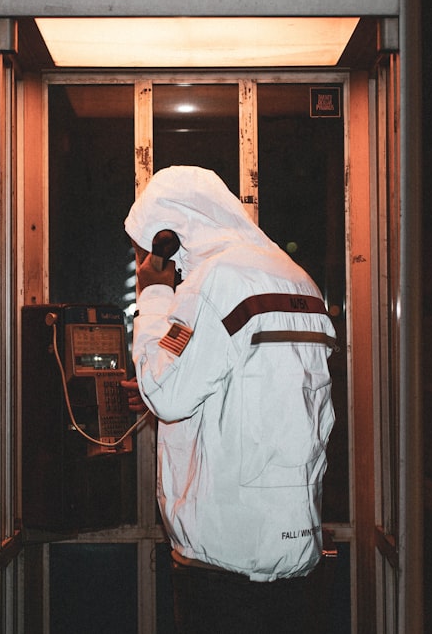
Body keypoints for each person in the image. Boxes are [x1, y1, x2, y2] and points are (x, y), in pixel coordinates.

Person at [121, 165, 336, 633]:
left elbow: (167, 394)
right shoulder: (299, 280)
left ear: (168, 236)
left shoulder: (216, 282)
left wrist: (155, 292)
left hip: (227, 554)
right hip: (296, 543)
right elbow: (254, 384)